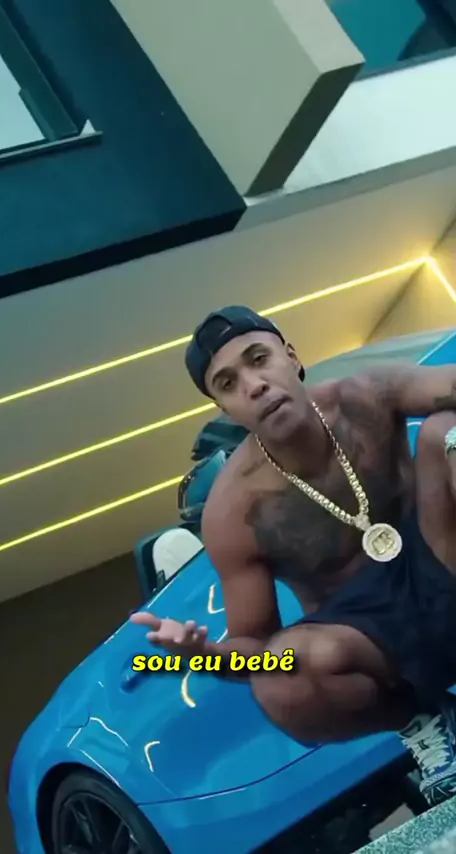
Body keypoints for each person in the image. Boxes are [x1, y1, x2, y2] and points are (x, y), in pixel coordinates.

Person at [132, 306, 456, 805]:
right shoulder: (234, 511)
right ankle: (427, 723)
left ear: (291, 356)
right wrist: (206, 656)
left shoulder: (366, 396)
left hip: (442, 557)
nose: (254, 385)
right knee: (277, 680)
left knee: (447, 431)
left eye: (259, 359)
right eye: (228, 383)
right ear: (225, 408)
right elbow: (258, 648)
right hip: (369, 640)